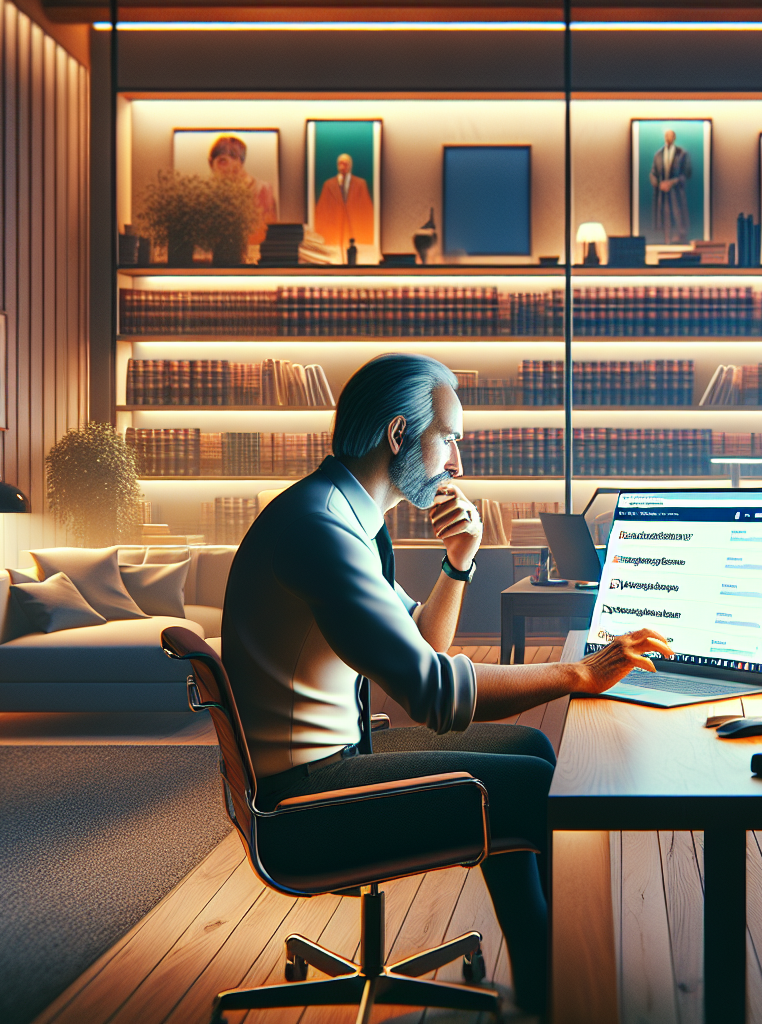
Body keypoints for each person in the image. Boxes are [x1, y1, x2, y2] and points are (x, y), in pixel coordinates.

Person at [221, 353, 671, 1016]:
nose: (456, 463)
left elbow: (423, 648)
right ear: (400, 435)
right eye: (449, 438)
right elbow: (432, 694)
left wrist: (458, 565)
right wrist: (581, 672)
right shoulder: (319, 529)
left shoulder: (345, 517)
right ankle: (556, 993)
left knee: (528, 753)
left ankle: (548, 976)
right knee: (519, 784)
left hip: (327, 764)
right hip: (299, 807)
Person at [207, 135, 277, 248]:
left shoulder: (264, 191)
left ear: (241, 162)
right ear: (211, 163)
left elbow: (271, 234)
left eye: (233, 159)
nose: (228, 168)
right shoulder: (209, 194)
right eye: (222, 162)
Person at [314, 152, 375, 250]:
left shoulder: (360, 184)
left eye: (346, 163)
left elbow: (368, 210)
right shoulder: (328, 185)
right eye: (340, 163)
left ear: (350, 165)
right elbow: (321, 210)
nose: (343, 166)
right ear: (337, 165)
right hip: (334, 231)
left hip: (355, 229)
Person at [648, 129, 693, 244]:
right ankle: (666, 241)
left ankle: (680, 240)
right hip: (662, 194)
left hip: (677, 193)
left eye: (670, 136)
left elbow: (687, 173)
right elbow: (653, 173)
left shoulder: (682, 154)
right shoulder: (658, 155)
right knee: (664, 218)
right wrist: (659, 184)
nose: (668, 138)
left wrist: (672, 182)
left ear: (674, 138)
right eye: (666, 136)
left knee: (678, 217)